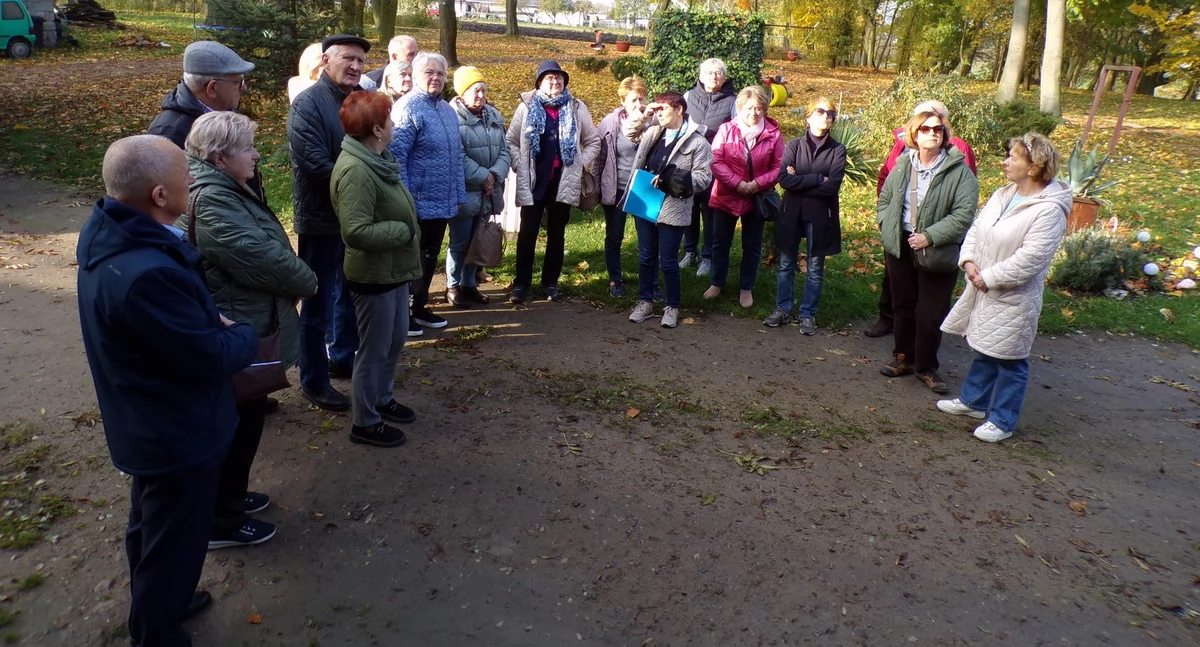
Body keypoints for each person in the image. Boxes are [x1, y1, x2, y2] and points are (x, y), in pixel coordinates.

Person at [77, 135, 259, 647]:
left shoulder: (114, 237)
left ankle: (165, 602)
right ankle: (157, 629)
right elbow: (207, 357)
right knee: (174, 538)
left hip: (147, 418)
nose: (193, 181)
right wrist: (239, 332)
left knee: (152, 523)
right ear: (159, 195)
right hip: (174, 430)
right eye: (185, 175)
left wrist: (202, 323)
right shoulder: (148, 272)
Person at [180, 112, 317, 549]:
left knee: (246, 418)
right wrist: (306, 280)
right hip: (239, 324)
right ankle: (221, 521)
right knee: (235, 427)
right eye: (248, 148)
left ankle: (230, 499)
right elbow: (260, 258)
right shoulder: (214, 200)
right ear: (220, 158)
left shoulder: (224, 188)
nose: (256, 154)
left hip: (247, 319)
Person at [938, 134, 1070, 442]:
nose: (1005, 161)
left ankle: (1002, 420)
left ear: (1034, 166)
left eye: (1013, 157)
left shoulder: (1048, 210)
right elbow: (976, 229)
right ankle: (973, 402)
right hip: (982, 286)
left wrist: (989, 277)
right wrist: (969, 261)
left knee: (1011, 359)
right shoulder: (1003, 193)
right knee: (986, 348)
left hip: (1013, 296)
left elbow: (1032, 258)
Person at [332, 91, 422, 447]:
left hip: (394, 269)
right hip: (374, 274)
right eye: (390, 119)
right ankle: (365, 422)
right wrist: (403, 231)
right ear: (376, 128)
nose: (394, 124)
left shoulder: (377, 158)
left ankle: (382, 400)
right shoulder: (356, 170)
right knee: (374, 348)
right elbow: (355, 231)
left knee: (395, 339)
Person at [288, 34, 371, 411]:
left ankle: (341, 358)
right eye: (348, 59)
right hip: (321, 219)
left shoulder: (359, 102)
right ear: (326, 60)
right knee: (318, 302)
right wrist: (364, 187)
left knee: (348, 295)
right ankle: (313, 380)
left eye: (360, 62)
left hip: (353, 220)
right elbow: (316, 165)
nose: (355, 67)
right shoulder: (308, 104)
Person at [876, 110, 979, 393]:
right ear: (915, 133)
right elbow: (885, 199)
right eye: (925, 128)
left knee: (930, 313)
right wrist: (888, 228)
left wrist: (930, 237)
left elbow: (964, 214)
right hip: (901, 246)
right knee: (903, 307)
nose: (932, 133)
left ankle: (926, 366)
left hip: (937, 250)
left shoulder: (959, 172)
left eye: (938, 129)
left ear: (945, 135)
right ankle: (903, 358)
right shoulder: (902, 164)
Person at [505, 60, 600, 304]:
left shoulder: (577, 107)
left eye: (559, 78)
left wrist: (579, 163)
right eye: (549, 78)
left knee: (557, 234)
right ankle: (521, 284)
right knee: (527, 234)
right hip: (535, 181)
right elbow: (511, 141)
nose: (555, 82)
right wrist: (520, 164)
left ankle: (550, 282)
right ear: (539, 83)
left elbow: (593, 141)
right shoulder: (526, 107)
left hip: (563, 181)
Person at [388, 52, 466, 331]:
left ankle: (419, 306)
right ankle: (404, 313)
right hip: (417, 201)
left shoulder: (446, 110)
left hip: (442, 200)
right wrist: (405, 199)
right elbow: (397, 158)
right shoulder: (407, 108)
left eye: (441, 73)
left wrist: (458, 194)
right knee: (412, 257)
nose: (435, 78)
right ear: (416, 76)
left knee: (431, 253)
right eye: (429, 72)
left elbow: (456, 156)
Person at [622, 91, 713, 328]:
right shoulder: (653, 132)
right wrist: (644, 113)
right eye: (657, 109)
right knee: (646, 256)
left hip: (673, 206)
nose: (658, 113)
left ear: (680, 109)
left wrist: (672, 178)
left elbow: (704, 177)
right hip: (645, 200)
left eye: (663, 108)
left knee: (668, 260)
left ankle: (672, 306)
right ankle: (645, 301)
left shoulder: (697, 141)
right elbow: (629, 132)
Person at [768, 96, 846, 335]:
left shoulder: (837, 150)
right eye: (821, 111)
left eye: (830, 113)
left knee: (815, 267)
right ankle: (782, 308)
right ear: (808, 116)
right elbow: (784, 179)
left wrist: (799, 181)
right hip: (792, 212)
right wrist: (815, 179)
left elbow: (832, 186)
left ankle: (807, 314)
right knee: (786, 263)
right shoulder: (793, 146)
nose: (826, 116)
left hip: (821, 215)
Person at [705, 85, 784, 308]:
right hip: (727, 193)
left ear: (765, 109)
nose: (754, 113)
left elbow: (779, 166)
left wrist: (756, 184)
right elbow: (715, 160)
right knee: (720, 242)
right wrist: (737, 183)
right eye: (749, 108)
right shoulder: (726, 130)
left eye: (759, 108)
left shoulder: (773, 134)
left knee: (752, 245)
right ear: (740, 108)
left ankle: (746, 288)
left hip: (756, 197)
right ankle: (716, 283)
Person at [449, 65, 510, 307]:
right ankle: (452, 286)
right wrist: (483, 176)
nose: (481, 96)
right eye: (475, 90)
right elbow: (457, 155)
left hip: (488, 190)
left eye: (483, 90)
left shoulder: (493, 116)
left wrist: (495, 175)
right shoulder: (452, 117)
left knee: (478, 239)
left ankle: (469, 284)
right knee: (460, 242)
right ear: (461, 93)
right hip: (465, 192)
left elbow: (505, 150)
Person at [594, 75, 648, 297]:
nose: (638, 104)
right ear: (623, 100)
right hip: (617, 187)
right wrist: (597, 186)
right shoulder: (610, 122)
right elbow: (599, 157)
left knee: (647, 238)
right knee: (614, 236)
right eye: (634, 99)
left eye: (642, 98)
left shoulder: (654, 120)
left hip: (644, 189)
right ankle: (616, 280)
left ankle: (650, 282)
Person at [682, 58, 737, 277]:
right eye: (709, 73)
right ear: (701, 76)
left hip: (716, 165)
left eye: (718, 73)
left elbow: (735, 132)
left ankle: (708, 257)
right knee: (689, 209)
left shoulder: (732, 101)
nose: (714, 76)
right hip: (690, 163)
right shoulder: (688, 96)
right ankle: (689, 251)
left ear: (724, 77)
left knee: (710, 212)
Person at [148, 41, 254, 149]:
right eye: (237, 82)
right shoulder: (169, 134)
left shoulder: (225, 112)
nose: (244, 88)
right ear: (212, 88)